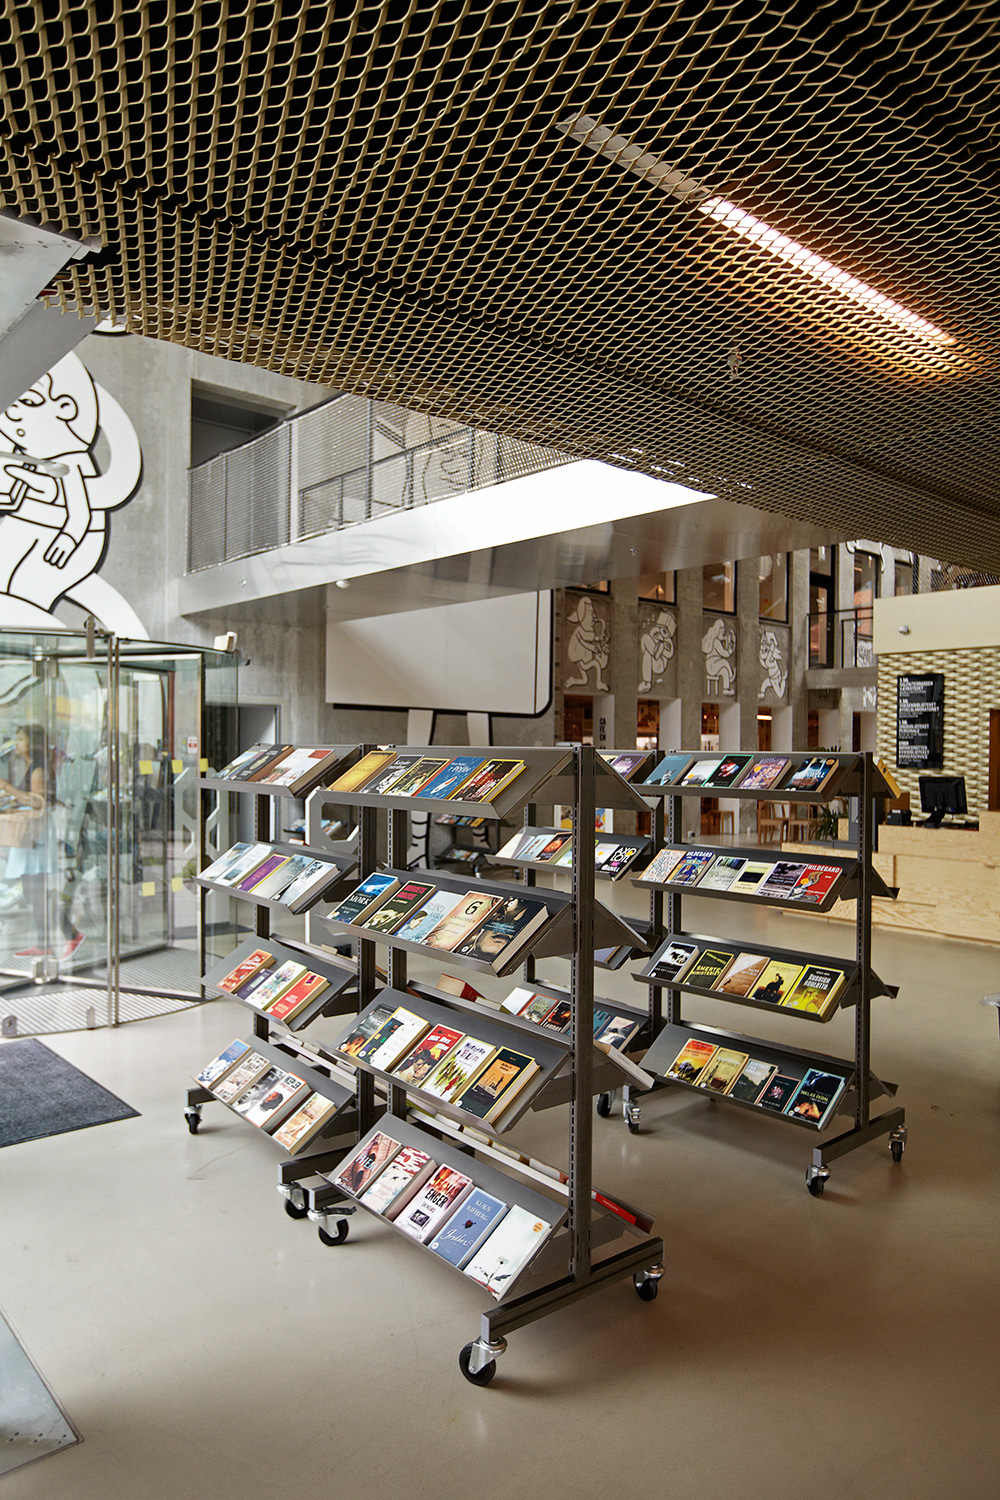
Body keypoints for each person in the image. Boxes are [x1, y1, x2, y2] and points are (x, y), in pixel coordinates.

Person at [0, 725, 84, 959]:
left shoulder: (38, 769)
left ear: (32, 743)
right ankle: (44, 942)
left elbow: (39, 802)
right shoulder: (30, 765)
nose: (16, 743)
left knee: (36, 889)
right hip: (31, 832)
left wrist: (7, 787)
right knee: (33, 890)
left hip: (35, 833)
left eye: (21, 739)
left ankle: (70, 934)